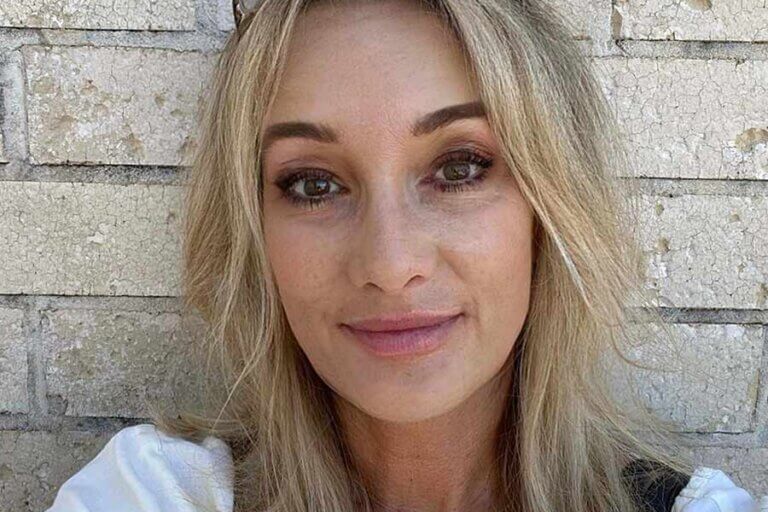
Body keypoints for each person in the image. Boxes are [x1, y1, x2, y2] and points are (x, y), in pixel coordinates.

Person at [45, 0, 767, 511]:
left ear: (547, 210)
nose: (390, 265)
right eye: (313, 183)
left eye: (458, 169)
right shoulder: (155, 495)